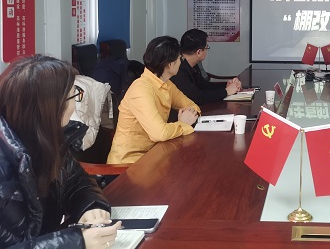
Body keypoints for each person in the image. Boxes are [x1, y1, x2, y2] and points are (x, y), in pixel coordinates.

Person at [0, 55, 120, 248]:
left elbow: (77, 182)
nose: (75, 105)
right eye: (74, 96)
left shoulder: (50, 139)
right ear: (51, 107)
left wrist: (90, 206)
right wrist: (76, 242)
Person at [108, 36, 201, 164]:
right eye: (180, 58)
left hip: (155, 155)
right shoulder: (140, 90)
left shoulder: (166, 84)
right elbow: (160, 133)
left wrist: (190, 115)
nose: (181, 62)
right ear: (170, 65)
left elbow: (193, 106)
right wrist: (183, 123)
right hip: (129, 164)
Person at [171, 29, 241, 106]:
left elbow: (204, 86)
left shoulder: (193, 64)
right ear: (198, 52)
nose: (207, 50)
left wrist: (227, 85)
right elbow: (197, 98)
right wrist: (226, 92)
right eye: (207, 47)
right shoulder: (177, 69)